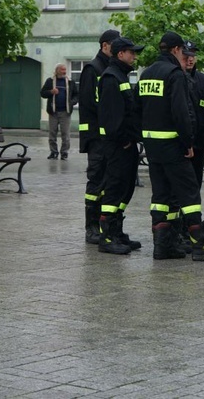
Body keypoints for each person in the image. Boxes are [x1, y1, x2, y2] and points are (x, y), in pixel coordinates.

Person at [136, 31, 204, 262]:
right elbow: (181, 112)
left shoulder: (146, 73)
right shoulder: (174, 74)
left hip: (153, 146)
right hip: (173, 145)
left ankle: (163, 246)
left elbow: (138, 109)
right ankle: (200, 245)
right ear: (176, 50)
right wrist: (188, 142)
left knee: (161, 195)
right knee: (189, 193)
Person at [79, 29, 128, 252]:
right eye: (115, 45)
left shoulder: (112, 69)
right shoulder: (93, 69)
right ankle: (91, 227)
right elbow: (91, 104)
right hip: (97, 136)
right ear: (105, 46)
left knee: (109, 181)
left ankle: (108, 226)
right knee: (96, 181)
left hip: (108, 136)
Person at [181, 40, 204, 187]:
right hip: (181, 143)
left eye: (193, 55)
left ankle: (193, 209)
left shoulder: (203, 80)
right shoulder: (175, 77)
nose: (190, 59)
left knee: (196, 181)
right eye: (186, 55)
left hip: (199, 142)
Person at [40, 63, 78, 160]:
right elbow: (42, 93)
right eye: (62, 70)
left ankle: (64, 153)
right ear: (57, 70)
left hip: (65, 112)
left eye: (65, 70)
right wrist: (51, 92)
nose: (64, 72)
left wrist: (71, 102)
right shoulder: (50, 81)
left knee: (65, 134)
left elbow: (76, 95)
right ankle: (53, 152)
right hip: (53, 112)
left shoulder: (70, 82)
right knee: (52, 133)